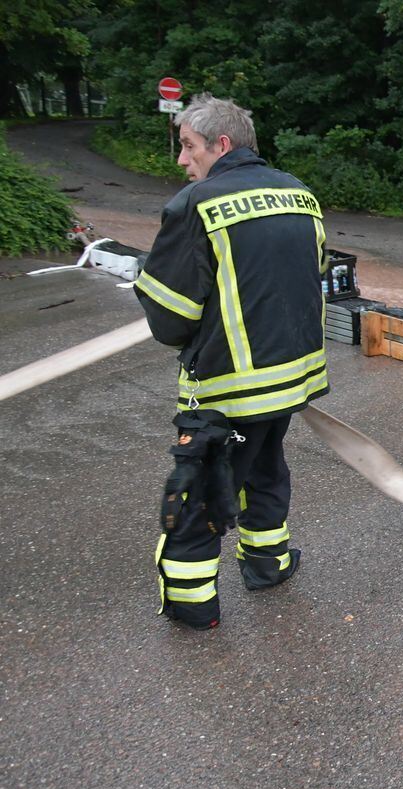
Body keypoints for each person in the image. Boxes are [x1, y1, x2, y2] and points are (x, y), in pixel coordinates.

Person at [134, 94, 330, 629]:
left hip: (227, 386)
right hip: (292, 377)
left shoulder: (195, 204)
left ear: (221, 145)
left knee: (200, 490)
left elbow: (170, 317)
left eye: (188, 147)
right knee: (265, 469)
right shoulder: (300, 195)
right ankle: (269, 564)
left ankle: (192, 605)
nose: (182, 161)